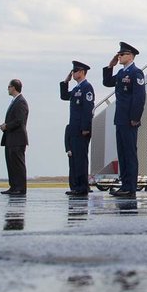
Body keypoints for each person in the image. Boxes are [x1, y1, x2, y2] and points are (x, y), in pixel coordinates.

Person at [103, 42, 146, 197]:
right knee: (122, 153)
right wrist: (110, 66)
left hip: (129, 119)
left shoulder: (136, 73)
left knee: (129, 153)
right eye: (119, 55)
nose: (119, 57)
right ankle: (125, 185)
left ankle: (131, 187)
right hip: (120, 119)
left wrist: (135, 117)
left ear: (130, 56)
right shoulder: (121, 74)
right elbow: (107, 82)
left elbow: (139, 97)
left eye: (122, 55)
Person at [60, 60, 95, 197]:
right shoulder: (76, 89)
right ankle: (76, 186)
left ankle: (82, 187)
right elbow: (64, 96)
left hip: (82, 129)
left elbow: (88, 109)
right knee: (74, 160)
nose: (73, 73)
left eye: (75, 71)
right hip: (74, 129)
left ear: (81, 72)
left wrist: (85, 127)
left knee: (81, 159)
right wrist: (65, 82)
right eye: (72, 71)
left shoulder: (87, 87)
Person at [0, 79, 29, 195]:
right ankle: (13, 186)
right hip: (10, 139)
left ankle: (20, 188)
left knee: (18, 164)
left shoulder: (21, 102)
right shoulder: (14, 101)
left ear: (14, 87)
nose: (8, 89)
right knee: (11, 164)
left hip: (18, 139)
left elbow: (19, 120)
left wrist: (6, 126)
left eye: (9, 86)